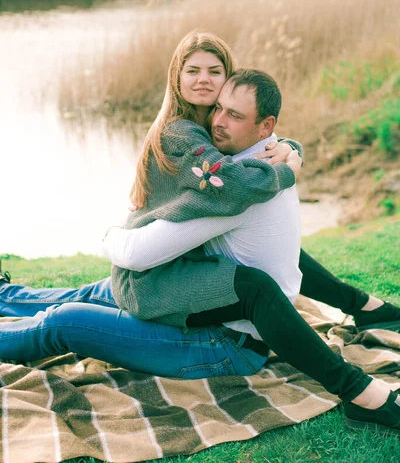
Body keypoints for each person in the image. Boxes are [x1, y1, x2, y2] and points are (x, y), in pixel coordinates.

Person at [0, 31, 399, 434]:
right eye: (194, 72)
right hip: (176, 283)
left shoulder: (236, 181)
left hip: (216, 338)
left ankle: (360, 358)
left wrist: (290, 152)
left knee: (65, 320)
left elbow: (150, 249)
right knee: (88, 295)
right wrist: (290, 159)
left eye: (215, 73)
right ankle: (6, 296)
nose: (217, 110)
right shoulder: (209, 147)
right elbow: (140, 251)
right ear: (178, 77)